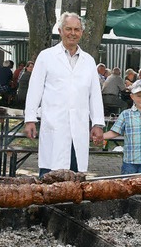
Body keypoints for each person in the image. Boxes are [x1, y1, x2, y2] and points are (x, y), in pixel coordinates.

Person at [24, 12, 105, 177]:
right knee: (50, 175)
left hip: (79, 126)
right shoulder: (46, 57)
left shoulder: (89, 60)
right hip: (54, 124)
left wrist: (97, 123)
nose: (72, 33)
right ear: (60, 31)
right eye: (68, 29)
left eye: (77, 29)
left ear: (82, 32)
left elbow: (95, 94)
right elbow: (34, 90)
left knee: (75, 178)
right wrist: (30, 119)